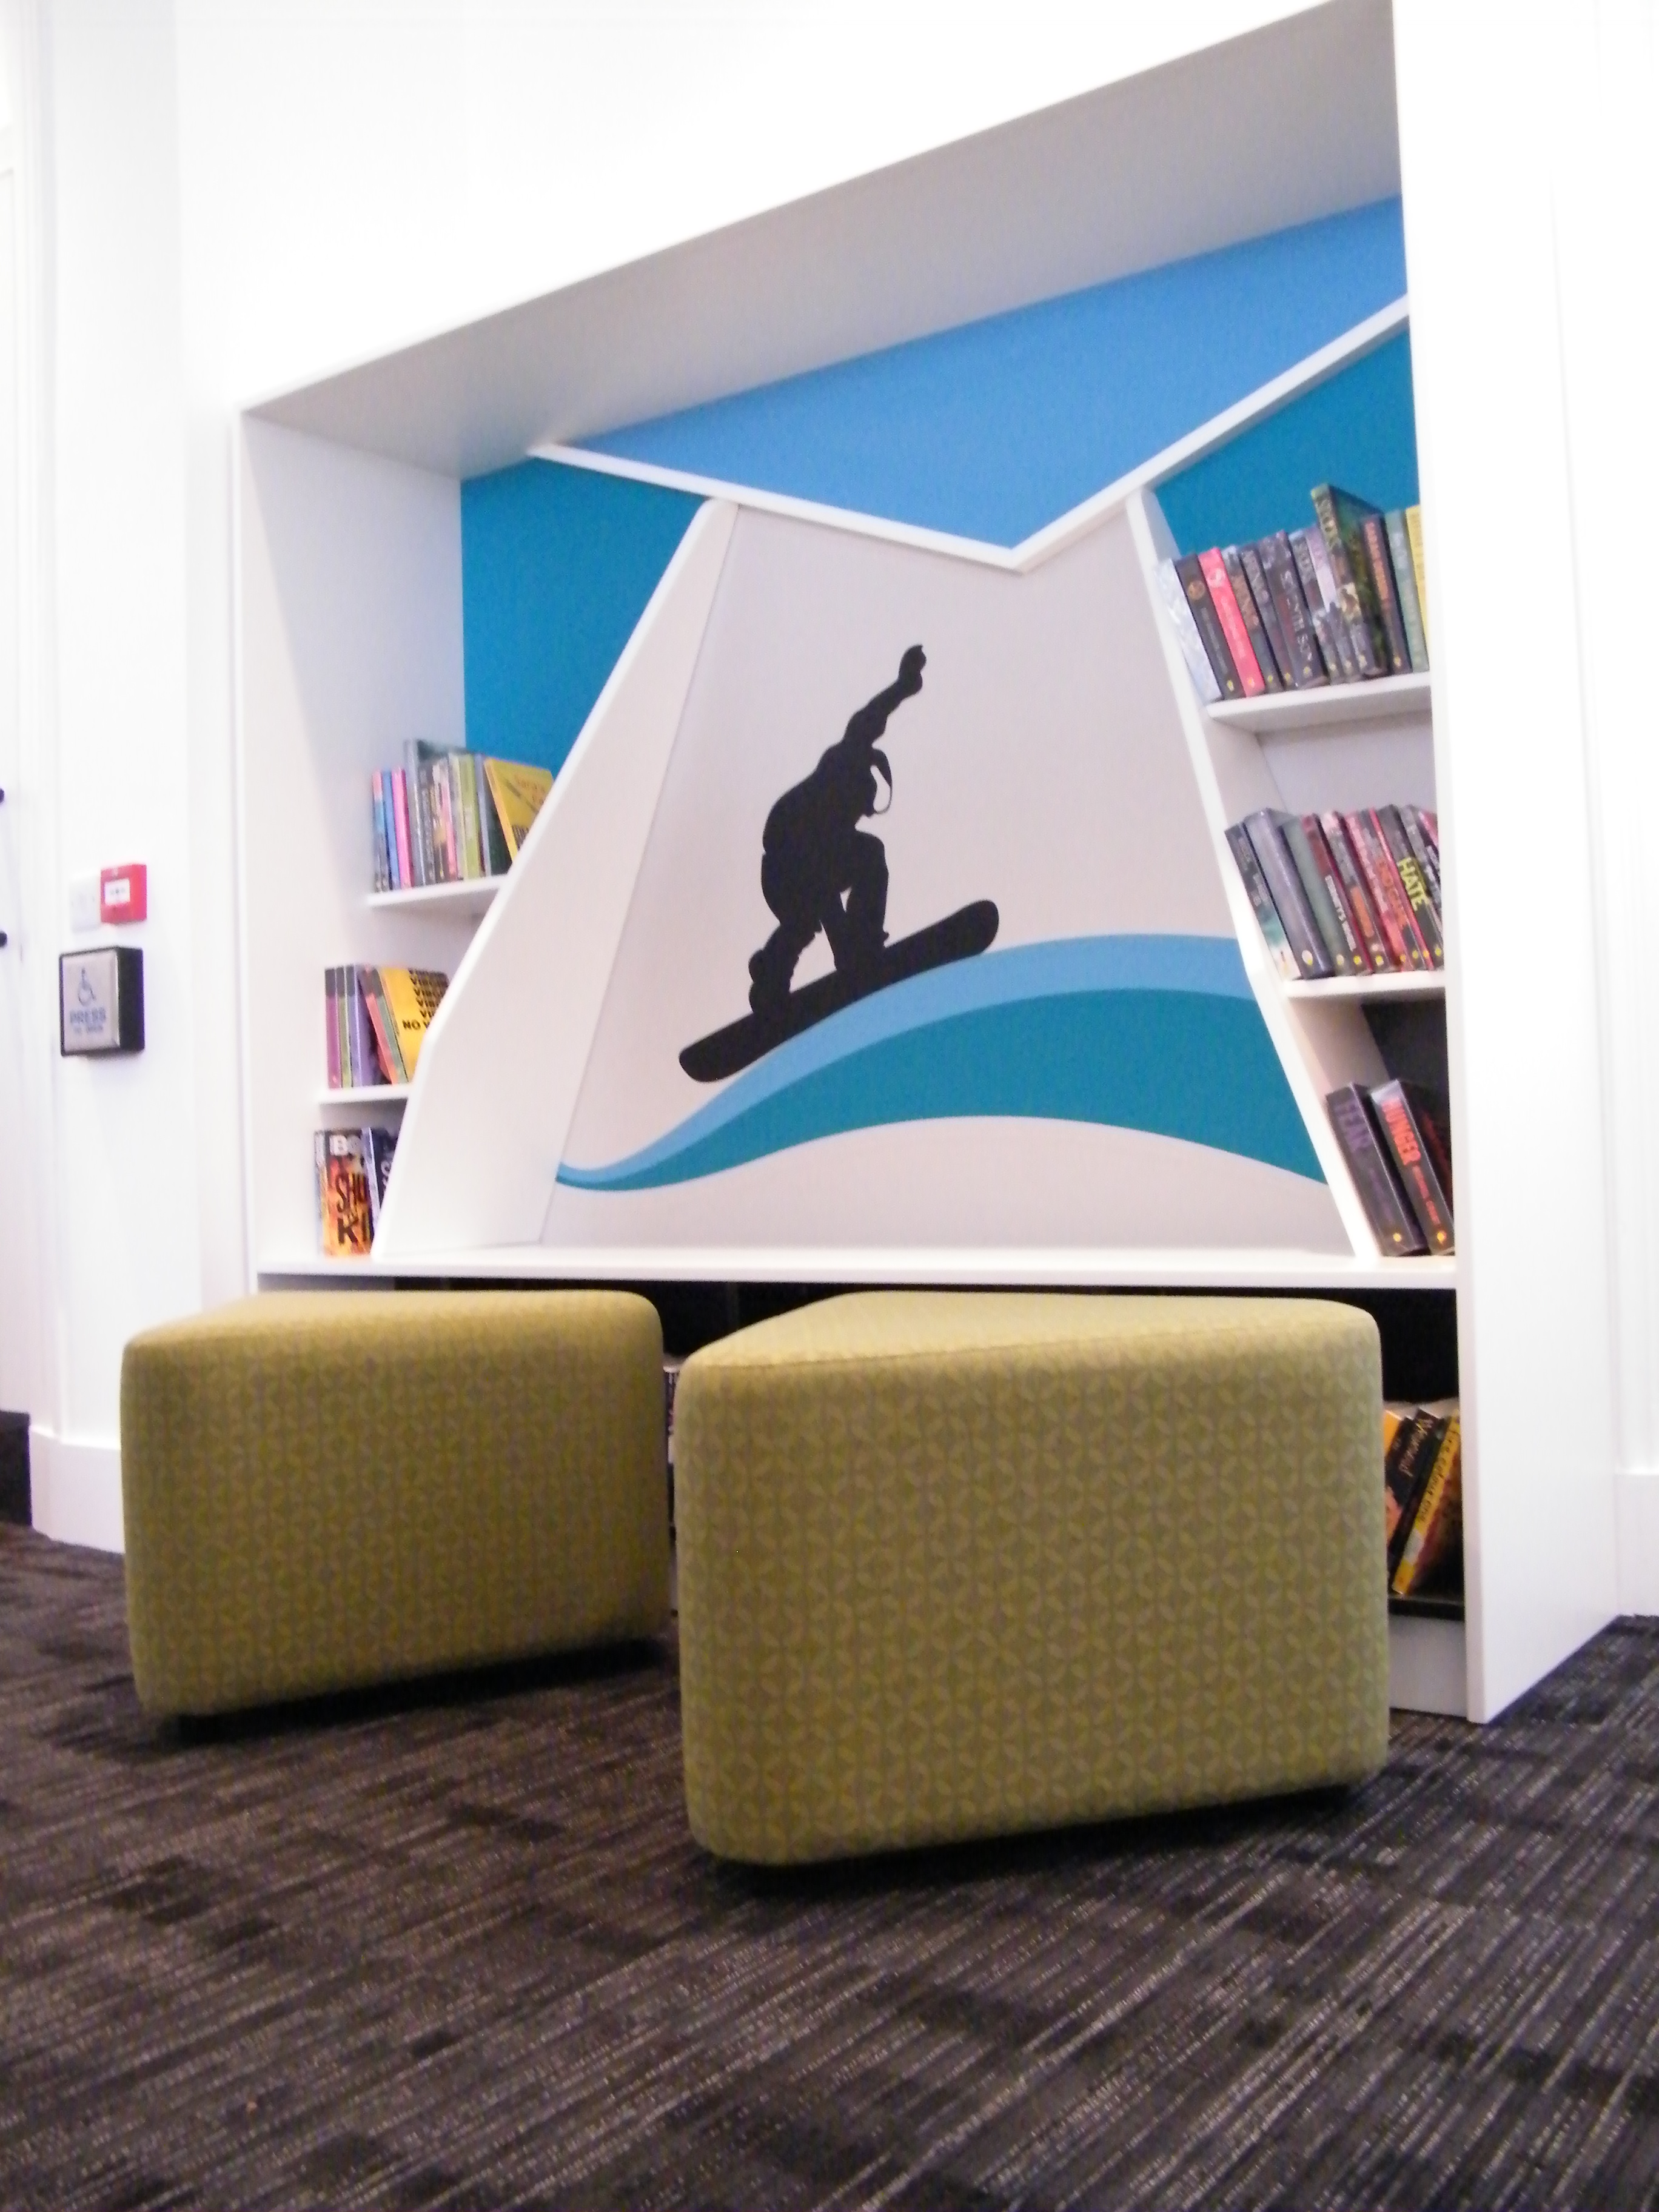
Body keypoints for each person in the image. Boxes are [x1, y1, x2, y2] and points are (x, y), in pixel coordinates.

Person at [747, 645, 927, 1015]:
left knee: (803, 921)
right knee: (868, 857)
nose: (858, 819)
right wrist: (849, 954)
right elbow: (870, 717)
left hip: (785, 877)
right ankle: (797, 962)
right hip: (786, 868)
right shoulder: (839, 770)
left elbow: (825, 894)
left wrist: (904, 686)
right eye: (860, 809)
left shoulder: (833, 816)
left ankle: (772, 973)